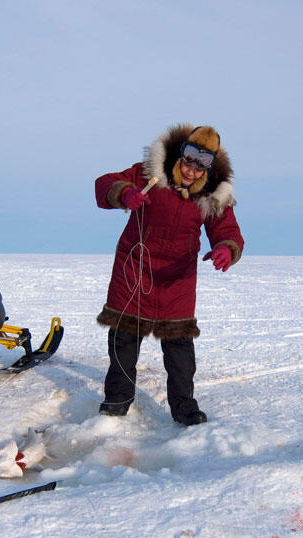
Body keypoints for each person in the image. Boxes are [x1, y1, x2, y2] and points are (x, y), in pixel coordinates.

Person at [94, 124, 244, 426]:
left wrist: (226, 249)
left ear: (209, 169)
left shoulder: (214, 194)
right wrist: (125, 193)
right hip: (135, 268)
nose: (191, 171)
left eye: (200, 167)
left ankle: (184, 408)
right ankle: (117, 401)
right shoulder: (149, 173)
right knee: (124, 337)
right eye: (188, 162)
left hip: (178, 277)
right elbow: (104, 184)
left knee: (179, 347)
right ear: (179, 155)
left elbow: (227, 229)